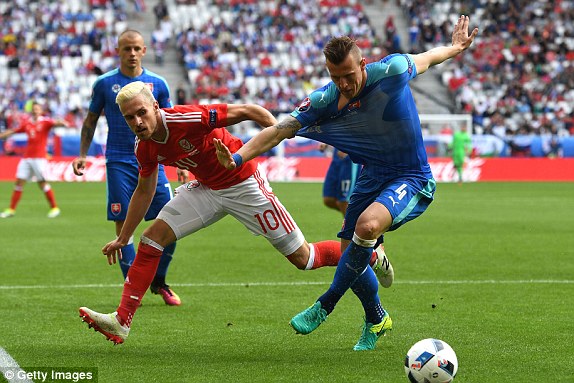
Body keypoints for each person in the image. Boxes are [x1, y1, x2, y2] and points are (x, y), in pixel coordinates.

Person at [215, 15, 478, 351]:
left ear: (363, 64)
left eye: (349, 75)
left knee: (366, 228)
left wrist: (455, 48)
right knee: (349, 254)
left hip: (411, 177)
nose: (343, 83)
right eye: (335, 77)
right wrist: (238, 158)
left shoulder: (392, 71)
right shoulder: (324, 100)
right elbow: (279, 131)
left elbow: (427, 58)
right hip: (371, 177)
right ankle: (377, 318)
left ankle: (324, 304)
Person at [77, 81, 394, 345]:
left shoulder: (187, 118)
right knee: (151, 239)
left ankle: (369, 255)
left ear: (155, 107)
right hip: (206, 190)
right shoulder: (144, 147)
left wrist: (280, 131)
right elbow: (144, 191)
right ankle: (122, 321)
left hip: (244, 184)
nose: (137, 123)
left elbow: (249, 111)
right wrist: (123, 237)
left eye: (141, 113)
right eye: (129, 118)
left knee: (304, 259)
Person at [72, 29, 185, 306]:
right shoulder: (104, 84)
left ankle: (158, 282)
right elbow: (90, 121)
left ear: (144, 50)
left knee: (171, 225)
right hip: (120, 161)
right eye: (126, 49)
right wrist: (83, 154)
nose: (132, 53)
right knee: (124, 228)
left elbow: (170, 122)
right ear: (118, 51)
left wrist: (180, 162)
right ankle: (133, 285)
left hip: (154, 160)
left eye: (136, 48)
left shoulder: (158, 83)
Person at [0, 102, 68, 218]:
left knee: (42, 183)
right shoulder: (27, 124)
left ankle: (54, 208)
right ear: (32, 111)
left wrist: (62, 123)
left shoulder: (45, 121)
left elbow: (55, 123)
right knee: (19, 182)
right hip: (27, 158)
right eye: (34, 109)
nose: (35, 111)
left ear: (40, 111)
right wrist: (2, 135)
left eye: (37, 109)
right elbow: (14, 131)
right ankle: (11, 210)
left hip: (39, 158)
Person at [319, 143, 360, 215]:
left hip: (350, 157)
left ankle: (351, 224)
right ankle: (357, 217)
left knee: (344, 200)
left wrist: (349, 147)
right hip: (337, 156)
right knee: (329, 199)